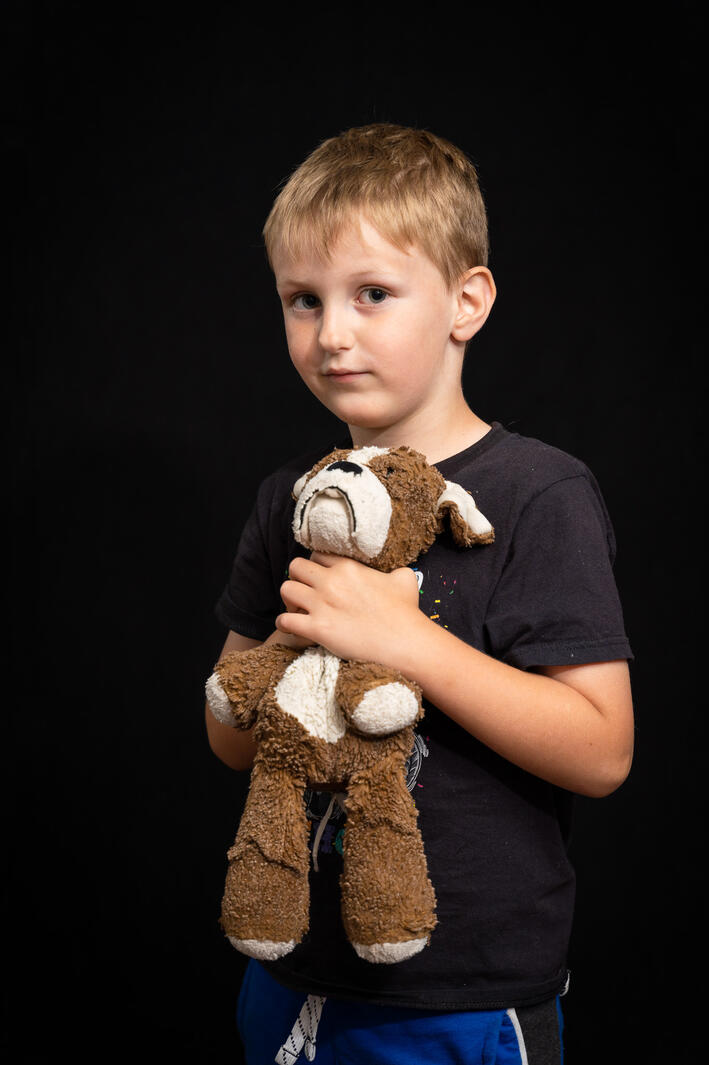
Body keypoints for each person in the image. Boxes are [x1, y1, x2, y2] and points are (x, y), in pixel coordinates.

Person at [205, 124, 634, 1064]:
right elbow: (228, 739)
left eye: (371, 294)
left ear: (464, 302)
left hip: (463, 995)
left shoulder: (537, 492)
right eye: (301, 300)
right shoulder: (290, 497)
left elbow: (602, 750)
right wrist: (290, 665)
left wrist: (408, 646)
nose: (332, 333)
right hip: (287, 978)